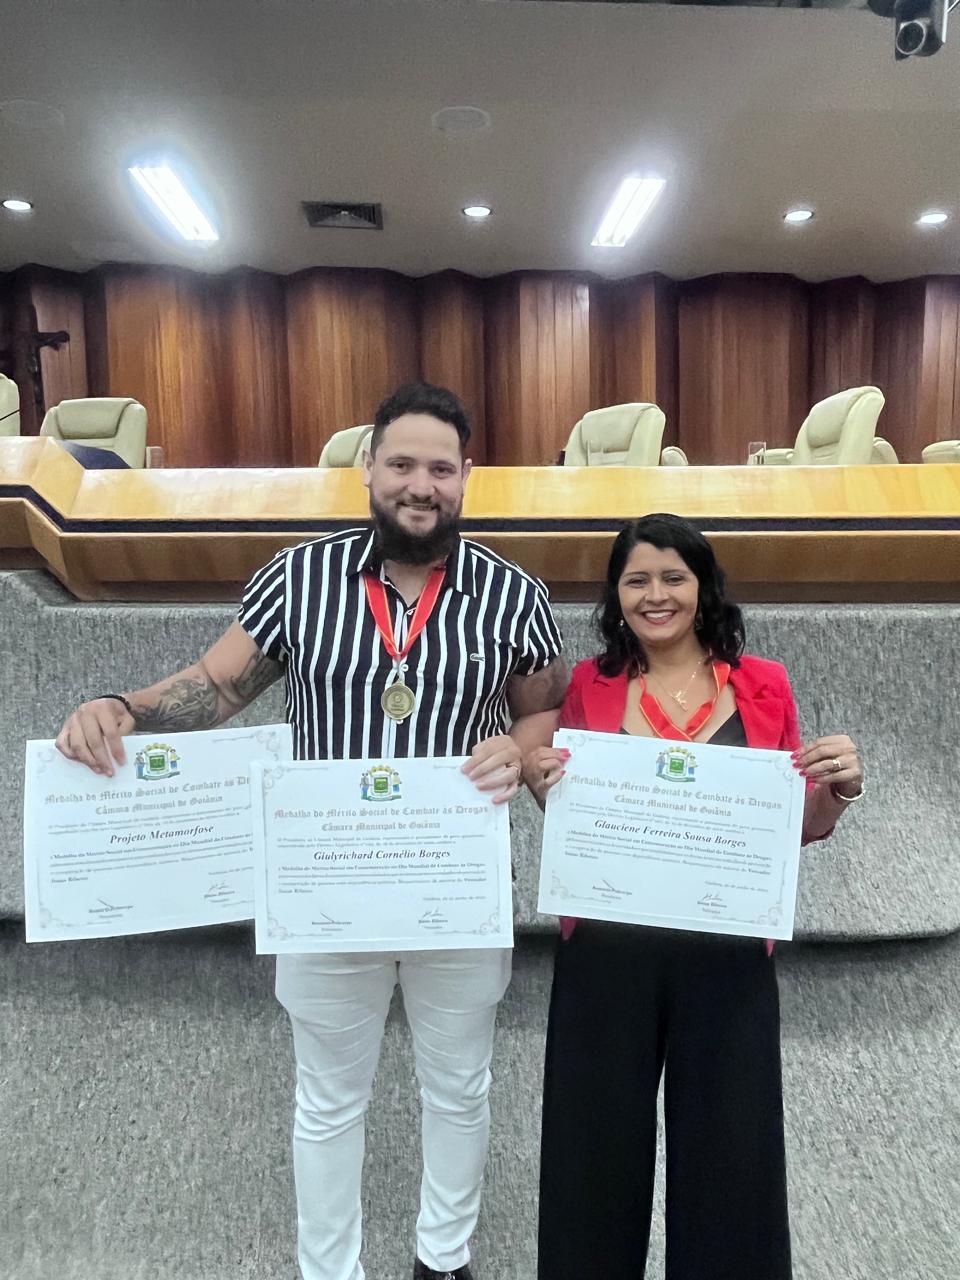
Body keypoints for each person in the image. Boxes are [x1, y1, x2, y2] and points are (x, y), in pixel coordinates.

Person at [55, 382, 567, 1280]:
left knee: (459, 1088)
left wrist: (519, 751)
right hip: (325, 886)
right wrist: (120, 707)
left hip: (455, 888)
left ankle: (443, 1259)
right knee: (329, 1099)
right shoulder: (298, 580)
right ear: (368, 467)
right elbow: (217, 687)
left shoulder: (513, 595)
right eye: (401, 463)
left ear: (466, 476)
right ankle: (329, 1270)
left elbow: (542, 710)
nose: (420, 485)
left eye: (440, 468)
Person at [524, 513, 864, 1280]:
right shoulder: (590, 685)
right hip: (607, 953)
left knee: (732, 1156)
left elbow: (793, 825)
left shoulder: (765, 684)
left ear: (703, 586)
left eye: (673, 577)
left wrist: (837, 791)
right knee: (591, 1154)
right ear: (616, 596)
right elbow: (579, 815)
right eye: (637, 580)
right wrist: (546, 785)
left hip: (728, 953)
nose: (656, 595)